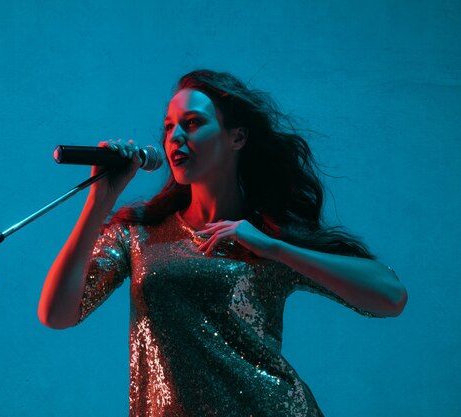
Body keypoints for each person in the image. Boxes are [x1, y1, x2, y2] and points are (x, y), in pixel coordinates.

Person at [38, 69, 408, 417]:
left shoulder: (268, 234)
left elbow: (391, 296)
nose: (175, 138)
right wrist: (98, 202)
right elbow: (56, 315)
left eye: (193, 123)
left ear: (237, 137)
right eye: (168, 129)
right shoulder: (140, 231)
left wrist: (273, 248)